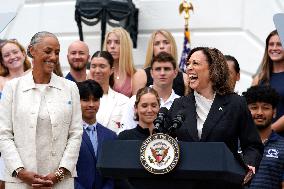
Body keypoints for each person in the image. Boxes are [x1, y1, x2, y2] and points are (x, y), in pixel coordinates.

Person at [167, 47, 263, 188]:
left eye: (195, 63)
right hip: (187, 183)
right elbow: (165, 142)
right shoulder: (179, 104)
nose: (189, 68)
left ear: (212, 70)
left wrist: (249, 165)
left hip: (223, 183)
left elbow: (252, 145)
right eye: (188, 64)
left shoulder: (235, 103)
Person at [0, 31, 83, 188]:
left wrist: (60, 173)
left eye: (57, 52)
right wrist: (21, 171)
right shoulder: (12, 88)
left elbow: (75, 134)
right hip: (19, 181)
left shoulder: (70, 88)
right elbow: (4, 134)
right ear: (32, 51)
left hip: (60, 181)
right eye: (48, 51)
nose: (53, 57)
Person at [119, 52, 179, 133]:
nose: (162, 73)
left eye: (167, 69)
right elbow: (125, 136)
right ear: (151, 73)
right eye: (158, 69)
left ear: (175, 73)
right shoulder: (134, 100)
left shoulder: (181, 103)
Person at [75, 79, 116, 189]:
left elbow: (112, 173)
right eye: (85, 100)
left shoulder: (110, 136)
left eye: (95, 100)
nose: (91, 104)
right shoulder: (68, 133)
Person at [243, 85, 284, 189]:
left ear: (274, 112)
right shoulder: (234, 143)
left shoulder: (283, 147)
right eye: (254, 107)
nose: (260, 113)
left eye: (266, 108)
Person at [132, 29, 189, 96]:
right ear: (152, 48)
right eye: (157, 43)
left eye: (166, 42)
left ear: (172, 46)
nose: (161, 46)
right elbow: (136, 104)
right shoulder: (141, 75)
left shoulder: (185, 78)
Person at [252, 29, 284, 136]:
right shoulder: (259, 78)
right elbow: (250, 109)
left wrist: (268, 131)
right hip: (262, 142)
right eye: (271, 44)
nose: (274, 48)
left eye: (279, 44)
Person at [88, 51, 129, 134]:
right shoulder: (79, 98)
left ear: (111, 70)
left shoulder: (123, 101)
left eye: (102, 66)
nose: (97, 70)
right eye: (94, 66)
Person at [103, 27, 136, 97]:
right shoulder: (99, 72)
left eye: (117, 42)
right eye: (108, 42)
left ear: (125, 46)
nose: (112, 46)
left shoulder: (135, 76)